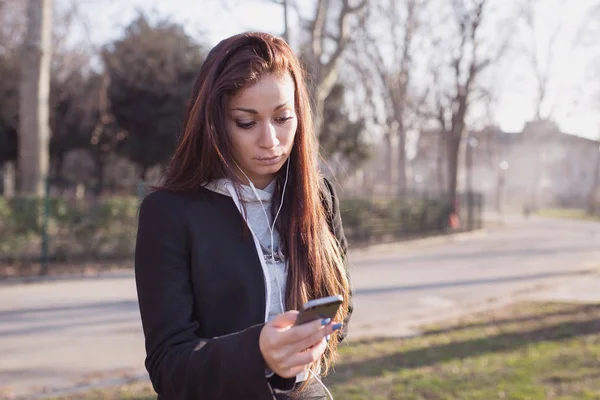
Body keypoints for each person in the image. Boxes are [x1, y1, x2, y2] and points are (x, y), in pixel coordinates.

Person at [134, 31, 353, 400]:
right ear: (215, 123)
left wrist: (310, 342)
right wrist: (259, 354)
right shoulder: (169, 214)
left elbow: (341, 306)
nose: (270, 140)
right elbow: (168, 367)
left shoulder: (317, 196)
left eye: (283, 117)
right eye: (247, 123)